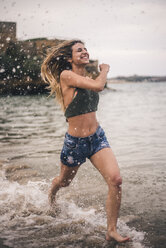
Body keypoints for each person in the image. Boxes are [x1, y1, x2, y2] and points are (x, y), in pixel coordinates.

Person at [41, 40, 130, 243]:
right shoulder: (66, 76)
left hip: (97, 138)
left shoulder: (86, 78)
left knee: (116, 181)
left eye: (85, 49)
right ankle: (51, 196)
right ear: (69, 58)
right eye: (79, 50)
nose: (84, 52)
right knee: (64, 182)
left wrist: (100, 74)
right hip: (76, 143)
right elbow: (100, 85)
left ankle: (111, 230)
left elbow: (96, 86)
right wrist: (105, 70)